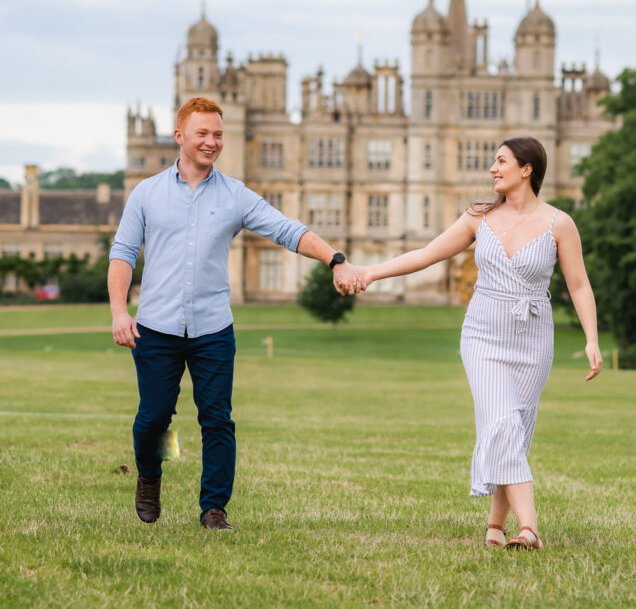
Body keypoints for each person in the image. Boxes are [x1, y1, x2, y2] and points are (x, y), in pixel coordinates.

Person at [108, 96, 362, 532]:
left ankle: (214, 509)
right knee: (153, 418)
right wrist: (118, 311)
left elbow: (287, 230)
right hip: (156, 327)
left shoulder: (235, 195)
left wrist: (335, 258)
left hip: (212, 329)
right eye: (202, 133)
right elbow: (123, 254)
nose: (211, 142)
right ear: (180, 136)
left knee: (217, 419)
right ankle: (150, 478)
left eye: (218, 134)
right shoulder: (146, 193)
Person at [356, 136, 602, 550]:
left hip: (533, 339)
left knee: (514, 431)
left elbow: (579, 285)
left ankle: (494, 525)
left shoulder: (559, 223)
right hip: (483, 334)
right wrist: (370, 272)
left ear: (527, 169)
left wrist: (592, 339)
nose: (492, 168)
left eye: (501, 161)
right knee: (502, 422)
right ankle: (530, 528)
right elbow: (427, 253)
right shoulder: (478, 217)